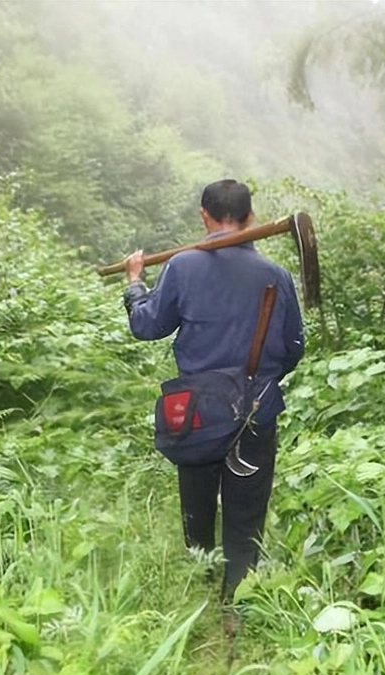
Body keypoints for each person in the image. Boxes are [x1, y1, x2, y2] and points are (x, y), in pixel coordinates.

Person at [122, 179, 305, 604]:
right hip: (255, 410)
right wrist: (259, 378)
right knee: (246, 511)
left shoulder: (183, 266)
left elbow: (146, 326)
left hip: (196, 413)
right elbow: (294, 347)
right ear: (251, 217)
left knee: (197, 501)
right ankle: (238, 600)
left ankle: (199, 585)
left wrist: (135, 283)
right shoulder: (276, 277)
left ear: (204, 216)